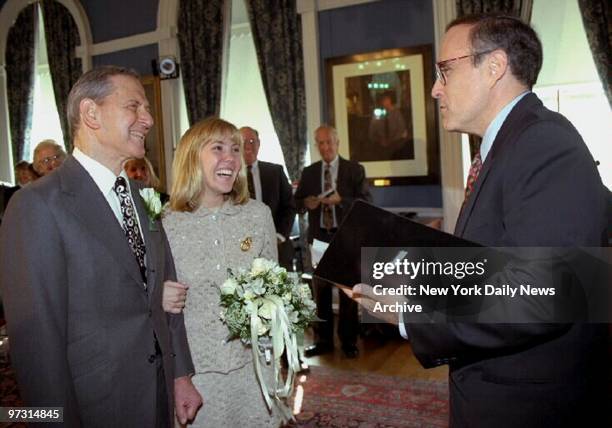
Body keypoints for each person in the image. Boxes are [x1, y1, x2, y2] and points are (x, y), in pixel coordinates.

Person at [347, 14, 609, 428]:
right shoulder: (508, 147)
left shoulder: (543, 143)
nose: (435, 89)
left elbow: (546, 293)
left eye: (445, 71)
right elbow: (494, 265)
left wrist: (408, 314)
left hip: (530, 406)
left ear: (494, 66)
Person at [0, 65, 201, 427]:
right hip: (95, 405)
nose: (149, 119)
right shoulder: (38, 205)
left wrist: (180, 375)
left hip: (157, 397)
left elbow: (163, 293)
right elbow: (35, 343)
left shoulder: (144, 197)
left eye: (148, 109)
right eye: (134, 106)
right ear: (91, 113)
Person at [162, 117, 281, 427]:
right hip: (197, 377)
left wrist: (275, 365)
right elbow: (161, 316)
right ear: (191, 157)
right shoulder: (166, 224)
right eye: (217, 148)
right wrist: (179, 378)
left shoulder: (258, 215)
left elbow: (275, 296)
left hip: (253, 370)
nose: (230, 157)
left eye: (235, 149)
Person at [294, 125, 372, 358]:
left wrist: (341, 201)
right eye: (320, 143)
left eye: (329, 142)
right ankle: (323, 341)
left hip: (345, 237)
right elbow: (296, 203)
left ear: (337, 143)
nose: (325, 147)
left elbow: (366, 202)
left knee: (348, 291)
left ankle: (349, 341)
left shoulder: (354, 170)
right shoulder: (309, 172)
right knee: (322, 292)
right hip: (319, 239)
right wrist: (306, 204)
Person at [240, 126, 297, 270]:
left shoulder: (275, 172)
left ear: (259, 144)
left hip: (277, 248)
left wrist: (279, 236)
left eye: (252, 141)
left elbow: (289, 206)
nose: (248, 146)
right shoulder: (229, 176)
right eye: (243, 141)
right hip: (241, 251)